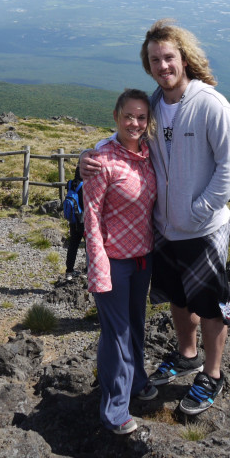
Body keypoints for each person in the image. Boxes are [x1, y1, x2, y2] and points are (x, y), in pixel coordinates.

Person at [82, 19, 230, 417]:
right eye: (155, 59)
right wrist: (94, 154)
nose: (162, 65)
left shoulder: (210, 104)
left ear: (184, 58)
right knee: (177, 296)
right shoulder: (153, 105)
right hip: (165, 229)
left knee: (210, 302)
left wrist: (201, 209)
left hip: (203, 228)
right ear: (148, 64)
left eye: (169, 57)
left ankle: (212, 374)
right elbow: (127, 136)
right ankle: (187, 354)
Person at [84, 89, 158, 435]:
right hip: (112, 261)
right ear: (116, 116)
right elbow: (92, 216)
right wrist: (98, 266)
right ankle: (114, 409)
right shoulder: (102, 159)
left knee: (136, 325)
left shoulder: (148, 155)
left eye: (142, 117)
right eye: (129, 116)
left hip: (142, 259)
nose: (135, 123)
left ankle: (138, 381)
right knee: (117, 333)